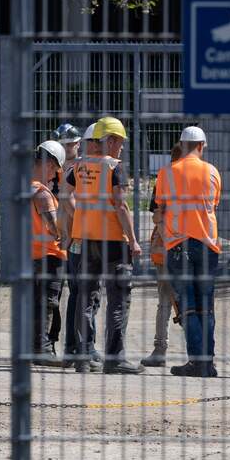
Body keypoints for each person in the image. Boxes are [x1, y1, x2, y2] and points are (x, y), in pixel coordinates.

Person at [63, 116, 144, 374]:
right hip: (113, 241)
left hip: (86, 240)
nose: (121, 147)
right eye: (119, 142)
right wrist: (132, 239)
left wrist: (80, 218)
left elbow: (65, 196)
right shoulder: (115, 167)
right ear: (109, 141)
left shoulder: (78, 167)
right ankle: (114, 357)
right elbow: (120, 205)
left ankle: (84, 357)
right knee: (118, 298)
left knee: (86, 298)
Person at [154, 127, 222, 377]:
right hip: (206, 244)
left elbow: (160, 208)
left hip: (177, 244)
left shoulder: (166, 173)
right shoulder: (213, 172)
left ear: (181, 146)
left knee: (189, 306)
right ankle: (208, 361)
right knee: (207, 305)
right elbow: (213, 204)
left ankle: (196, 361)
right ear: (202, 146)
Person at [58, 123, 100, 370]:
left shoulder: (76, 167)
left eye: (71, 143)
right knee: (85, 296)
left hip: (74, 237)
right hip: (79, 238)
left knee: (79, 295)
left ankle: (74, 348)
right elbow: (66, 200)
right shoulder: (81, 169)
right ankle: (81, 347)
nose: (69, 148)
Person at [141, 143, 184, 367]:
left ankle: (160, 350)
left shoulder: (165, 178)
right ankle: (198, 352)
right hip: (190, 246)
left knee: (164, 302)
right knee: (189, 298)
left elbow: (156, 216)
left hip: (167, 247)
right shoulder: (198, 176)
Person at [30, 141, 67, 366]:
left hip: (32, 255)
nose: (55, 175)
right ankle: (42, 349)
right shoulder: (42, 193)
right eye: (55, 169)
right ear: (49, 163)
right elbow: (55, 228)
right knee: (48, 304)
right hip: (50, 256)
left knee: (37, 303)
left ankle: (36, 347)